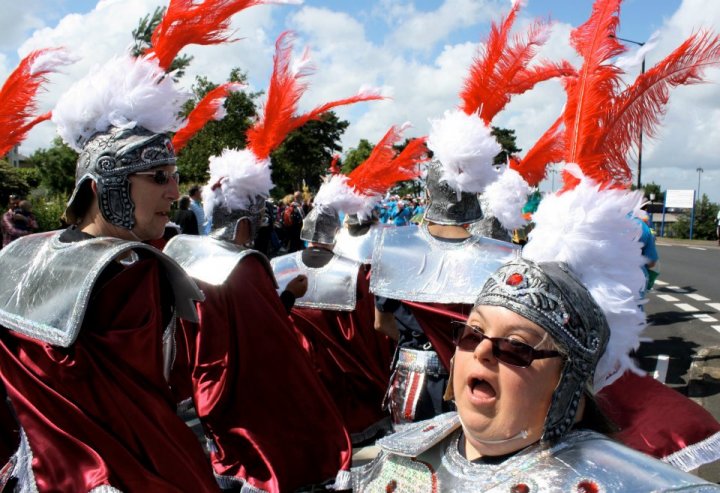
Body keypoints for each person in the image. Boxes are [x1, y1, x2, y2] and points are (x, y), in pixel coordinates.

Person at [0, 2, 275, 489]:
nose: (174, 191)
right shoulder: (25, 258)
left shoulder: (141, 266)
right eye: (158, 178)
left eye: (173, 178)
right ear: (102, 186)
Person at [350, 160, 719, 491]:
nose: (481, 350)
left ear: (569, 385)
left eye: (515, 347)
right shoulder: (398, 459)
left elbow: (383, 323)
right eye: (470, 334)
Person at [163, 31, 382, 493]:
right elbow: (269, 344)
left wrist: (286, 296)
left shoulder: (182, 249)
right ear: (246, 218)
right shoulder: (246, 267)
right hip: (247, 403)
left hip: (204, 399)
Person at [272, 124, 425, 446]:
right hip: (351, 381)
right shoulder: (356, 272)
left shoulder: (277, 265)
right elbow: (372, 329)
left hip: (301, 382)